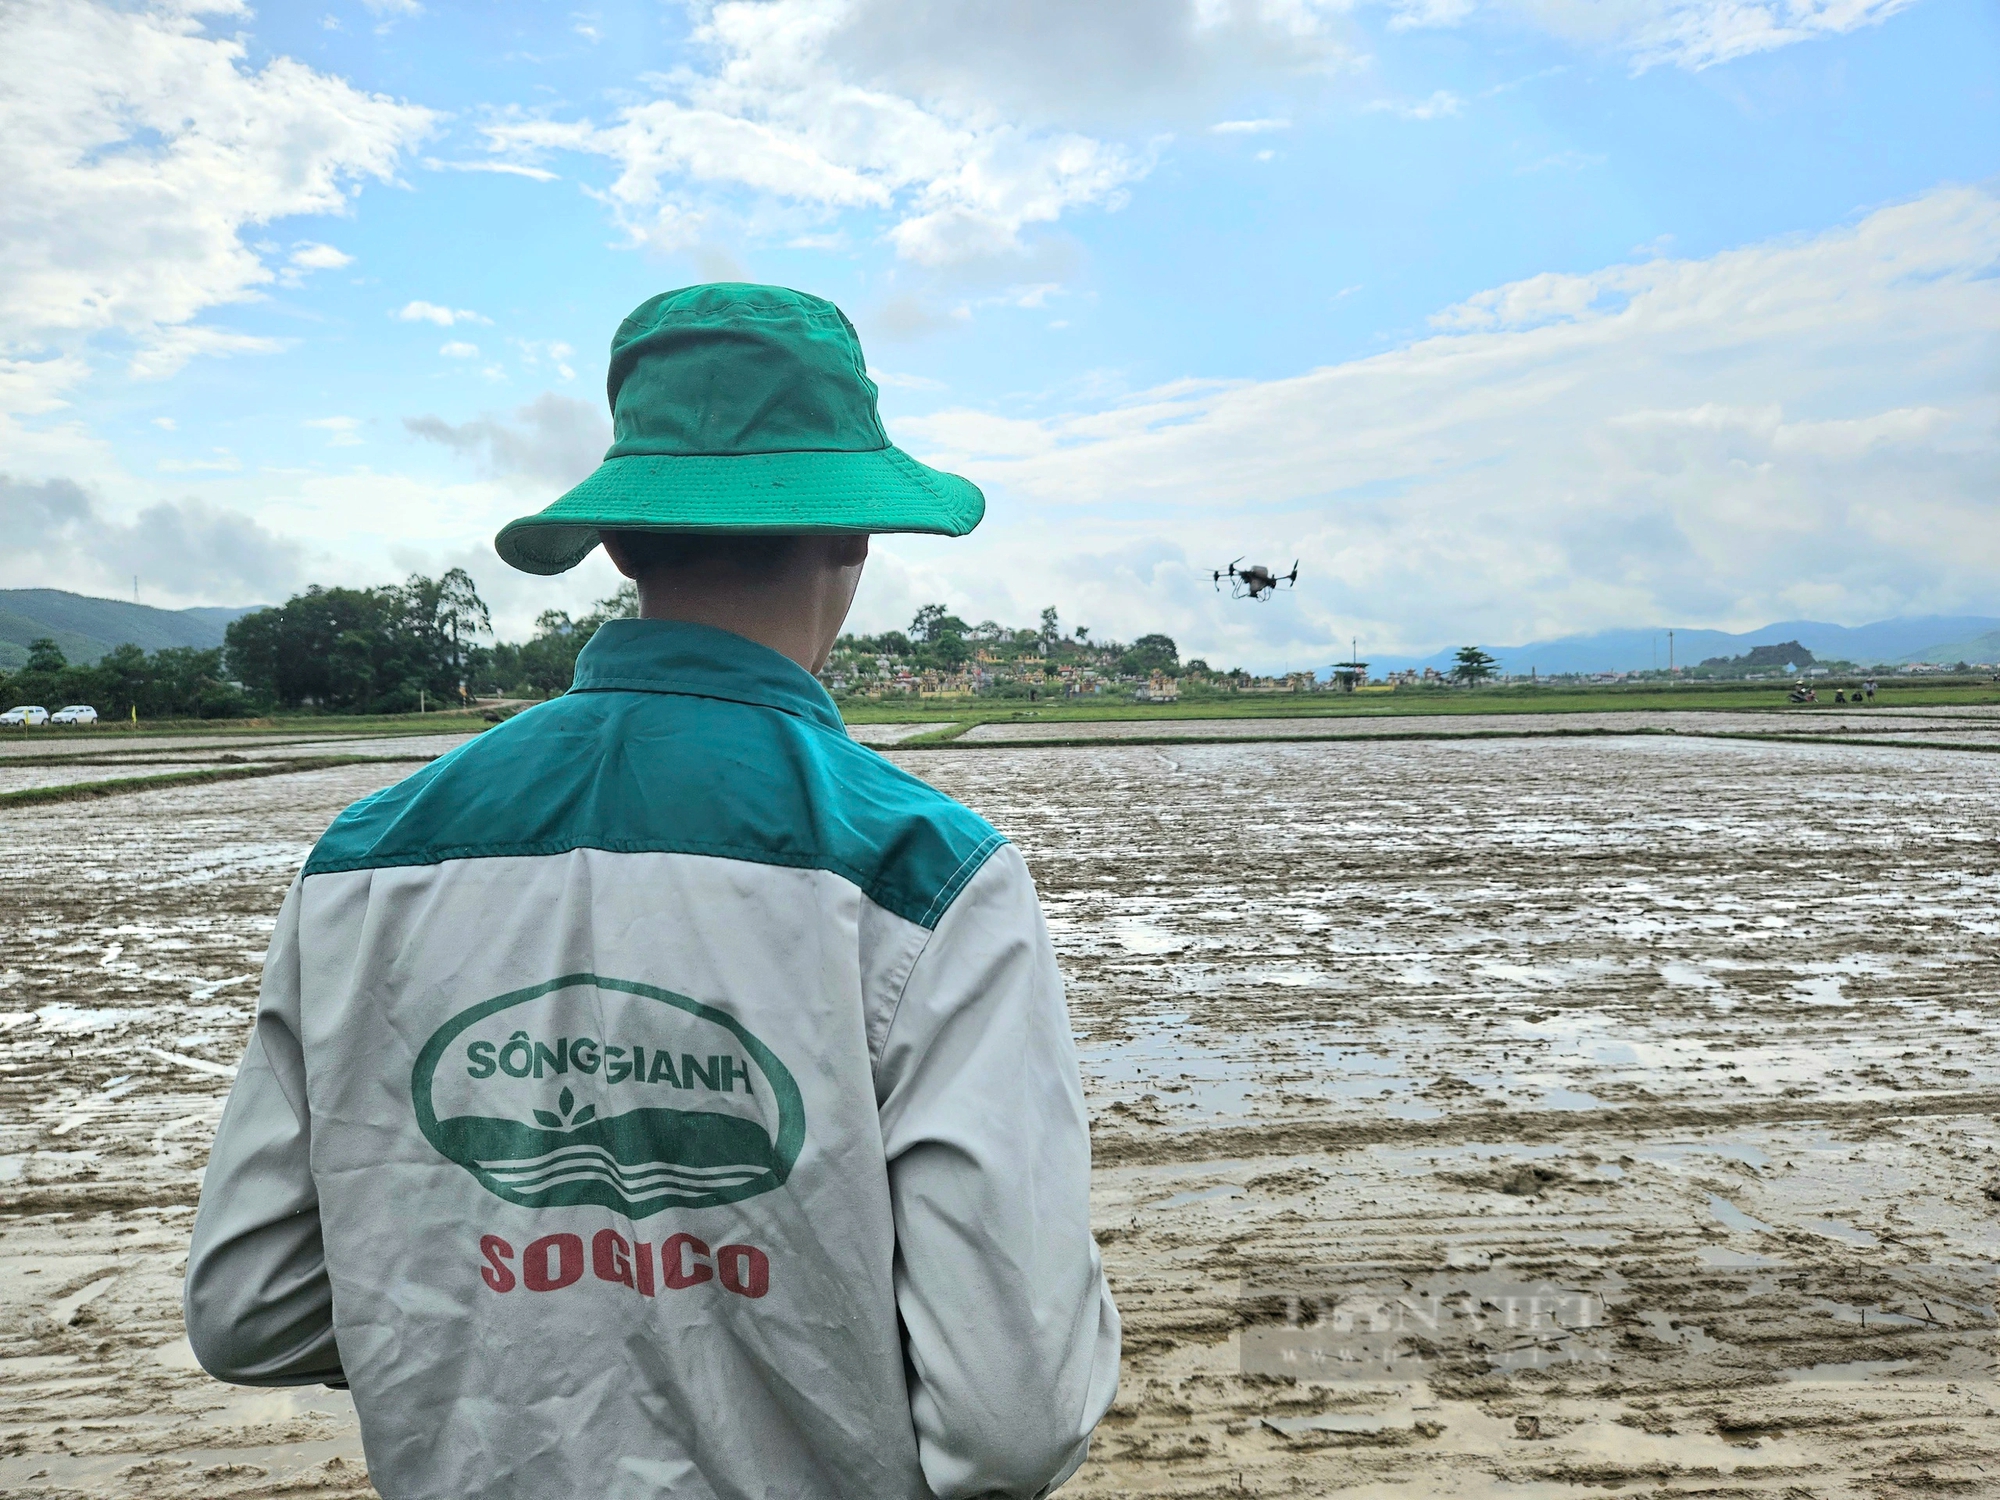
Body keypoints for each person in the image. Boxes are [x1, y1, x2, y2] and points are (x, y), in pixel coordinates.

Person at [183, 284, 1122, 1499]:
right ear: (857, 531)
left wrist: (514, 1311)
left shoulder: (365, 862)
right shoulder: (927, 878)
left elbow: (251, 1311)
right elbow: (1011, 1416)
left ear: (620, 539)